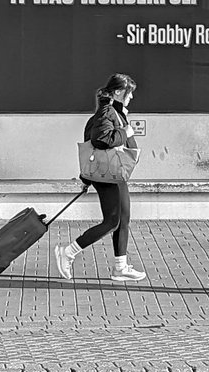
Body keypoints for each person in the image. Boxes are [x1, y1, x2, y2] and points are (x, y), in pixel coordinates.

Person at [54, 73, 148, 284]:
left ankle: (120, 268)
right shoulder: (106, 112)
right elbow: (101, 140)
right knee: (112, 221)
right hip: (108, 176)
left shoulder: (113, 111)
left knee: (123, 219)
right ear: (117, 92)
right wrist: (127, 131)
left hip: (114, 174)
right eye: (129, 93)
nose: (131, 97)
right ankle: (68, 252)